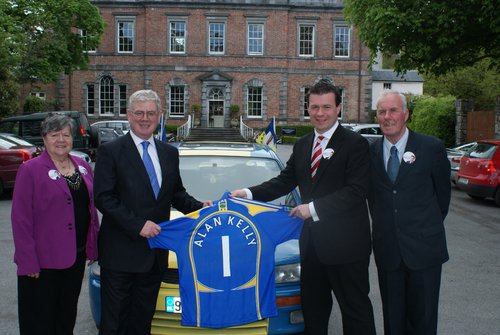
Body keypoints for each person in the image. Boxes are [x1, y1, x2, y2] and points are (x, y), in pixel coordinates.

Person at [231, 79, 376, 335]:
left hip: (347, 249)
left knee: (356, 313)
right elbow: (284, 181)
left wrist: (312, 208)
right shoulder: (303, 145)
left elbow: (356, 191)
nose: (320, 113)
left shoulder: (355, 144)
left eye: (327, 107)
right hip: (312, 248)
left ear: (338, 108)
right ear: (308, 108)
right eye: (315, 107)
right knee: (314, 312)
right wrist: (248, 193)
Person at [93, 89, 211, 335]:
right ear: (129, 115)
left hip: (154, 254)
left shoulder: (169, 152)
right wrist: (138, 225)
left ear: (159, 115)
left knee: (142, 322)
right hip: (120, 255)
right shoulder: (111, 151)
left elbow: (176, 193)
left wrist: (200, 208)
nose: (144, 118)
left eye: (150, 113)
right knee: (114, 324)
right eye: (139, 113)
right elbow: (104, 198)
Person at [368, 90, 451, 335]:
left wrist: (423, 228)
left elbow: (442, 198)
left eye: (393, 110)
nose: (387, 116)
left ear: (406, 114)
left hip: (424, 251)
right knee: (393, 322)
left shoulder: (431, 147)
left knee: (423, 321)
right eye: (381, 112)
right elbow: (372, 198)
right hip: (388, 252)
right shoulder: (370, 152)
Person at [11, 114, 99, 335]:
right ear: (44, 138)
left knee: (66, 317)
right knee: (40, 321)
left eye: (66, 135)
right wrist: (27, 261)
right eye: (55, 135)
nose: (61, 140)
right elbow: (20, 219)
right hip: (42, 264)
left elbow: (90, 209)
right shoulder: (30, 170)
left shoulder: (82, 166)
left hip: (75, 259)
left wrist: (92, 246)